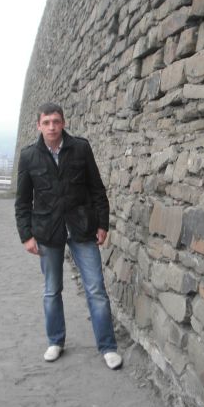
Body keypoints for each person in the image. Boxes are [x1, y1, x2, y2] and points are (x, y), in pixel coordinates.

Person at [15, 102, 122, 370]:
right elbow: (22, 201)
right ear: (39, 125)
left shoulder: (80, 148)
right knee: (52, 290)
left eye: (56, 121)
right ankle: (55, 341)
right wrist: (26, 236)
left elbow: (97, 189)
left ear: (63, 123)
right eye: (46, 122)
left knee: (96, 289)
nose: (52, 127)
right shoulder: (29, 156)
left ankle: (108, 346)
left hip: (81, 227)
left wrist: (102, 224)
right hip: (47, 230)